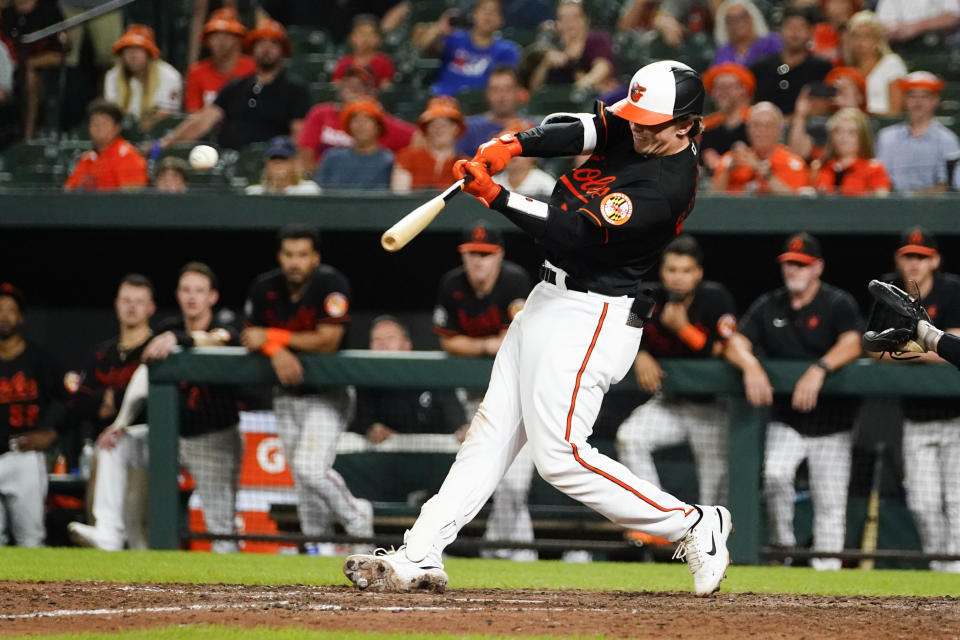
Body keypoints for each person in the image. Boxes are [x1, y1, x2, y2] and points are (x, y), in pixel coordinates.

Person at [344, 60, 734, 597]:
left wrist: (496, 194)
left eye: (652, 123)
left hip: (594, 313)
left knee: (560, 457)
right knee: (490, 434)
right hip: (549, 298)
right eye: (637, 117)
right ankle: (420, 553)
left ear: (686, 125)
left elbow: (573, 233)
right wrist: (512, 144)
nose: (637, 128)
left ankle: (692, 523)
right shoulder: (642, 126)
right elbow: (580, 128)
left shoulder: (665, 184)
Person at [68, 263, 242, 553]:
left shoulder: (227, 323)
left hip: (214, 439)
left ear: (212, 296)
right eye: (186, 290)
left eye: (199, 291)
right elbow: (142, 376)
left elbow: (220, 338)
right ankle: (108, 532)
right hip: (170, 437)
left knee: (221, 531)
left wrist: (179, 340)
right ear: (177, 294)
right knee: (115, 444)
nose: (192, 297)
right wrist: (120, 424)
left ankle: (235, 589)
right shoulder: (167, 328)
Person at [725, 232, 862, 570]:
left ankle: (826, 573)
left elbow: (854, 342)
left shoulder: (836, 302)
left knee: (830, 502)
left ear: (817, 267)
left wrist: (819, 369)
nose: (793, 270)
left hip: (833, 424)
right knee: (774, 474)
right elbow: (734, 343)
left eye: (801, 264)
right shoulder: (769, 304)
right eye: (789, 264)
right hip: (787, 420)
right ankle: (782, 550)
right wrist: (751, 365)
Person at [243, 226, 373, 549]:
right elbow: (250, 336)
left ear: (315, 258)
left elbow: (328, 340)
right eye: (289, 255)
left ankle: (357, 514)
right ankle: (318, 552)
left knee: (310, 467)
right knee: (302, 483)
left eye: (302, 255)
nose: (295, 262)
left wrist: (275, 339)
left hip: (328, 394)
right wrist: (276, 351)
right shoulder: (265, 287)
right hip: (287, 396)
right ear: (280, 257)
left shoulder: (332, 284)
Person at [433, 221, 535, 561]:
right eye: (472, 255)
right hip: (475, 399)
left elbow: (517, 339)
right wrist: (487, 345)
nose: (478, 262)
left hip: (522, 396)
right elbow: (449, 342)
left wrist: (478, 344)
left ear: (499, 256)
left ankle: (499, 551)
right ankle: (516, 555)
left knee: (514, 485)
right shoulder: (452, 284)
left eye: (486, 255)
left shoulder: (516, 281)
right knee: (486, 480)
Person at [615, 235, 742, 508]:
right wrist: (640, 353)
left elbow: (724, 349)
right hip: (669, 404)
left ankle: (712, 537)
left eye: (686, 271)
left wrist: (683, 328)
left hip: (711, 408)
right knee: (630, 437)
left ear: (698, 274)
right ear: (662, 272)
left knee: (715, 483)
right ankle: (659, 514)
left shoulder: (715, 298)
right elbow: (624, 333)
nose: (678, 278)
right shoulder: (646, 298)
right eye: (672, 270)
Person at [870, 228, 960, 572]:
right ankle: (942, 571)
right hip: (915, 417)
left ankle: (955, 572)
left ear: (934, 260)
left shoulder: (953, 289)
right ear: (898, 259)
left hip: (955, 417)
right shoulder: (889, 292)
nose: (915, 263)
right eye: (909, 255)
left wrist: (915, 344)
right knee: (922, 503)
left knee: (956, 502)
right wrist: (928, 345)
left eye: (922, 256)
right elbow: (876, 348)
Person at [156, 18, 309, 152]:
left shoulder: (295, 90)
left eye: (273, 43)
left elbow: (299, 135)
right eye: (260, 43)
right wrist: (163, 144)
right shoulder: (236, 86)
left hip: (271, 162)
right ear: (252, 49)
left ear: (283, 50)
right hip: (228, 159)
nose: (266, 49)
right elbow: (202, 122)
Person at [0, 283, 64, 547]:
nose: (4, 315)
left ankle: (34, 590)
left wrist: (51, 432)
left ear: (21, 317)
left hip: (23, 457)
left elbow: (67, 401)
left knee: (31, 539)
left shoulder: (40, 360)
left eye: (10, 310)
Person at [351, 316, 465, 444]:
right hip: (385, 457)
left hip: (433, 454)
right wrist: (371, 429)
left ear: (407, 345)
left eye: (390, 338)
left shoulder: (433, 377)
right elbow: (359, 424)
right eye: (376, 340)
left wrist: (462, 430)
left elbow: (456, 423)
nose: (383, 345)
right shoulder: (364, 385)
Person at [297, 65, 416, 174]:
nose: (353, 87)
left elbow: (418, 136)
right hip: (328, 180)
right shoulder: (320, 113)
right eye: (348, 83)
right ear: (341, 86)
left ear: (371, 91)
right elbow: (306, 153)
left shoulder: (380, 120)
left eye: (361, 84)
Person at [876, 72, 960, 195]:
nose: (918, 102)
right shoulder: (886, 137)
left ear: (935, 100)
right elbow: (879, 180)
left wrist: (914, 197)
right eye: (912, 96)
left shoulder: (947, 139)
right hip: (890, 207)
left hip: (932, 209)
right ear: (904, 99)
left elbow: (947, 186)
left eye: (924, 96)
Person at [414, 0, 520, 96]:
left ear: (500, 19)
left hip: (481, 105)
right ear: (474, 14)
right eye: (484, 9)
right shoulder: (455, 37)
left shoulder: (507, 50)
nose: (488, 15)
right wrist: (439, 30)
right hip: (444, 102)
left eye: (494, 11)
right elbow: (424, 47)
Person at [711, 102, 811, 195]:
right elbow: (713, 200)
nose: (762, 131)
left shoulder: (794, 164)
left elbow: (796, 203)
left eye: (768, 125)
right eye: (756, 125)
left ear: (780, 130)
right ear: (748, 129)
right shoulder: (731, 160)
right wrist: (728, 172)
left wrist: (761, 170)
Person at [748, 5, 832, 117]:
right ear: (781, 30)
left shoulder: (821, 68)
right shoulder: (760, 67)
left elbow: (822, 108)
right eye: (790, 26)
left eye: (801, 27)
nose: (794, 32)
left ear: (810, 33)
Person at [1, 0, 66, 139]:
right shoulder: (7, 14)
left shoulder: (48, 11)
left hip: (41, 61)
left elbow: (62, 48)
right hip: (11, 63)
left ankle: (28, 134)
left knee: (29, 73)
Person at [527, 0, 618, 96]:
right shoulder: (554, 47)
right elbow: (535, 90)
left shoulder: (596, 39)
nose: (569, 23)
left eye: (575, 17)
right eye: (563, 19)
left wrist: (579, 87)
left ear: (585, 20)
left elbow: (602, 68)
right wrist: (545, 63)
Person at [103, 24, 183, 132]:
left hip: (160, 132)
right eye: (128, 50)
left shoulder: (169, 75)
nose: (133, 55)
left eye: (138, 49)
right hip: (122, 131)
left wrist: (144, 126)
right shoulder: (112, 76)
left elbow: (167, 113)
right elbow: (110, 112)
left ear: (149, 53)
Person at [787, 65, 867, 163]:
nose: (839, 85)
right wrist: (801, 114)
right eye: (834, 88)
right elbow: (796, 156)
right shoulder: (819, 126)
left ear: (860, 96)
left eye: (847, 85)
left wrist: (850, 106)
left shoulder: (871, 125)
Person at [64, 99, 148, 191]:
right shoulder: (87, 158)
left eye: (104, 123)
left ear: (117, 127)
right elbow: (68, 191)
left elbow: (132, 199)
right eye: (95, 123)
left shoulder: (128, 156)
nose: (99, 128)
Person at [184, 8, 256, 113]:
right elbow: (193, 114)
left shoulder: (253, 68)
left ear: (238, 40)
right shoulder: (196, 72)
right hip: (208, 128)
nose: (221, 41)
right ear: (207, 41)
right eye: (215, 35)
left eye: (227, 35)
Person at [315, 98, 394, 190]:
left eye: (367, 119)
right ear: (349, 126)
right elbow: (318, 194)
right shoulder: (331, 158)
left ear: (378, 127)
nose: (360, 125)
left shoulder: (389, 162)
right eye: (355, 120)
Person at [392, 97, 467, 193]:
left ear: (456, 129)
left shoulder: (466, 165)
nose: (439, 129)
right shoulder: (407, 157)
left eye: (445, 124)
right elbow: (399, 198)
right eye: (433, 124)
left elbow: (468, 203)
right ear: (426, 129)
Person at [812, 107, 891, 196]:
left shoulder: (874, 169)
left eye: (851, 133)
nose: (843, 138)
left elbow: (882, 203)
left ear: (862, 137)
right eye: (838, 131)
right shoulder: (821, 168)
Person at [842, 10, 907, 116]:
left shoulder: (891, 63)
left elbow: (896, 111)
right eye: (855, 36)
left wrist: (864, 114)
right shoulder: (849, 69)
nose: (860, 42)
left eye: (866, 36)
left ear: (878, 40)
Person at [456, 66, 530, 158]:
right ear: (487, 94)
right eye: (495, 90)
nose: (501, 96)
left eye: (507, 89)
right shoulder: (469, 128)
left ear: (518, 92)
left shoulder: (531, 128)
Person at [699, 62, 754, 172]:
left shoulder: (755, 121)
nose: (723, 93)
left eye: (728, 87)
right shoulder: (706, 127)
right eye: (718, 88)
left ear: (743, 90)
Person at [490, 121, 556, 198]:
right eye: (505, 147)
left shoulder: (545, 184)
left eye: (517, 147)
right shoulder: (492, 182)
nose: (511, 152)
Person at [332, 15, 395, 90]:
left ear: (378, 39)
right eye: (361, 33)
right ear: (352, 37)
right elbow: (336, 89)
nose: (365, 38)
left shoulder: (385, 63)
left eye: (370, 34)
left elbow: (385, 91)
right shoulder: (343, 63)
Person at [712, 0, 781, 67]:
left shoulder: (772, 43)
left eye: (742, 16)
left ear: (752, 18)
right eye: (731, 20)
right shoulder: (723, 53)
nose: (738, 23)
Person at [245, 136, 321, 196]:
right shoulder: (254, 193)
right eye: (273, 158)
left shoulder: (308, 191)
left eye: (283, 158)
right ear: (267, 164)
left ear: (294, 162)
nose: (278, 162)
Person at [875, 0, 960, 44]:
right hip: (904, 48)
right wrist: (894, 29)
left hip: (940, 49)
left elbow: (954, 17)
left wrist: (916, 27)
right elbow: (880, 25)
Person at [812, 0, 860, 65]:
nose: (838, 6)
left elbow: (850, 63)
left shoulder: (857, 29)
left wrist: (844, 29)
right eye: (834, 1)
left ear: (851, 6)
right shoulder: (817, 29)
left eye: (843, 2)